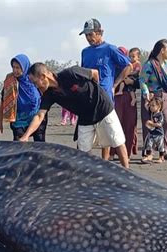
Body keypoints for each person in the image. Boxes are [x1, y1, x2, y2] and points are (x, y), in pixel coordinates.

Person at [20, 63, 129, 169]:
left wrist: (97, 91)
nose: (35, 86)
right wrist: (26, 136)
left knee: (117, 141)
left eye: (35, 83)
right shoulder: (49, 95)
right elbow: (39, 116)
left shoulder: (71, 73)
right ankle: (89, 176)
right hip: (84, 117)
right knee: (82, 151)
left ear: (43, 76)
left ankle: (128, 172)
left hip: (102, 108)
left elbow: (95, 73)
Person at [80, 18, 132, 161]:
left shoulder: (110, 49)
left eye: (91, 34)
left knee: (111, 134)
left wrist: (115, 84)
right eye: (86, 35)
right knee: (86, 135)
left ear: (99, 33)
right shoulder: (85, 52)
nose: (89, 38)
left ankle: (111, 163)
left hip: (105, 97)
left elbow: (128, 66)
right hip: (88, 97)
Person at [0, 54, 46, 142]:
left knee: (40, 146)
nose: (15, 70)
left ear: (25, 67)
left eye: (18, 67)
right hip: (19, 120)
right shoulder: (10, 82)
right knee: (18, 146)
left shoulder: (35, 80)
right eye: (13, 67)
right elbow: (3, 102)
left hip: (36, 118)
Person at [111, 47, 141, 159]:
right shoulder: (113, 67)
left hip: (129, 96)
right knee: (115, 124)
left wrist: (132, 82)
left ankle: (126, 153)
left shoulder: (133, 66)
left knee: (129, 125)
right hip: (116, 97)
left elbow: (140, 82)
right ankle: (112, 152)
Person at [142, 96, 165, 164]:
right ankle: (149, 155)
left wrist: (151, 123)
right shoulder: (151, 112)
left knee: (160, 146)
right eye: (150, 105)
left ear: (159, 106)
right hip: (152, 133)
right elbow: (146, 105)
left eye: (153, 105)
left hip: (159, 133)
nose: (151, 107)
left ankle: (161, 157)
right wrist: (147, 98)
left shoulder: (160, 115)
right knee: (149, 144)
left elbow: (160, 124)